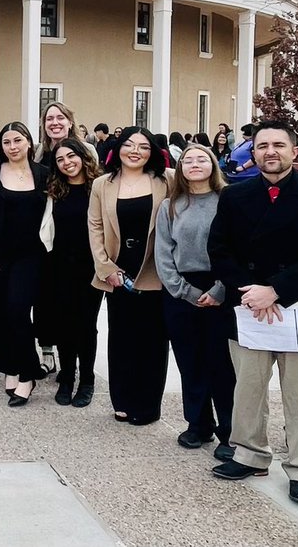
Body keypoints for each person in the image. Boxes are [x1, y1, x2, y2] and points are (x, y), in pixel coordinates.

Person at [208, 120, 298, 507]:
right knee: (248, 390)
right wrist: (250, 292)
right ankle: (250, 455)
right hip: (248, 307)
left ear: (294, 151)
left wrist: (277, 290)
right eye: (262, 145)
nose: (270, 151)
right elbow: (219, 250)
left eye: (278, 145)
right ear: (252, 153)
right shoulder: (235, 197)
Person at [155, 143, 234, 458]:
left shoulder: (228, 201)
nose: (195, 164)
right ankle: (198, 424)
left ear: (213, 165)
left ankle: (230, 431)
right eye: (188, 160)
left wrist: (221, 289)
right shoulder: (170, 206)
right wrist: (184, 291)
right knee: (190, 362)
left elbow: (239, 248)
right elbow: (163, 254)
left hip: (221, 287)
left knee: (223, 364)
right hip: (182, 292)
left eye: (203, 159)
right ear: (180, 168)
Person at [88, 125, 171, 426]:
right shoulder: (102, 184)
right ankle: (122, 400)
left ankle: (148, 404)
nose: (135, 151)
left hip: (156, 271)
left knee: (152, 340)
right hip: (118, 272)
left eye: (144, 146)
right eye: (129, 145)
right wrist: (106, 268)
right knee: (121, 338)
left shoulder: (167, 180)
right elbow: (95, 228)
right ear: (118, 148)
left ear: (152, 153)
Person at [0, 122, 52, 406]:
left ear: (29, 143)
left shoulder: (44, 175)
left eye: (17, 140)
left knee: (18, 310)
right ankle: (9, 366)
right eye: (6, 142)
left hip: (32, 256)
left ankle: (28, 374)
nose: (12, 146)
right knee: (3, 313)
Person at [41, 137, 103, 408]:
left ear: (83, 156)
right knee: (64, 323)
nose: (67, 163)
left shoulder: (99, 187)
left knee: (86, 325)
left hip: (91, 267)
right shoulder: (55, 189)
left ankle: (87, 380)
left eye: (71, 157)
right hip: (59, 265)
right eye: (60, 160)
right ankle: (67, 377)